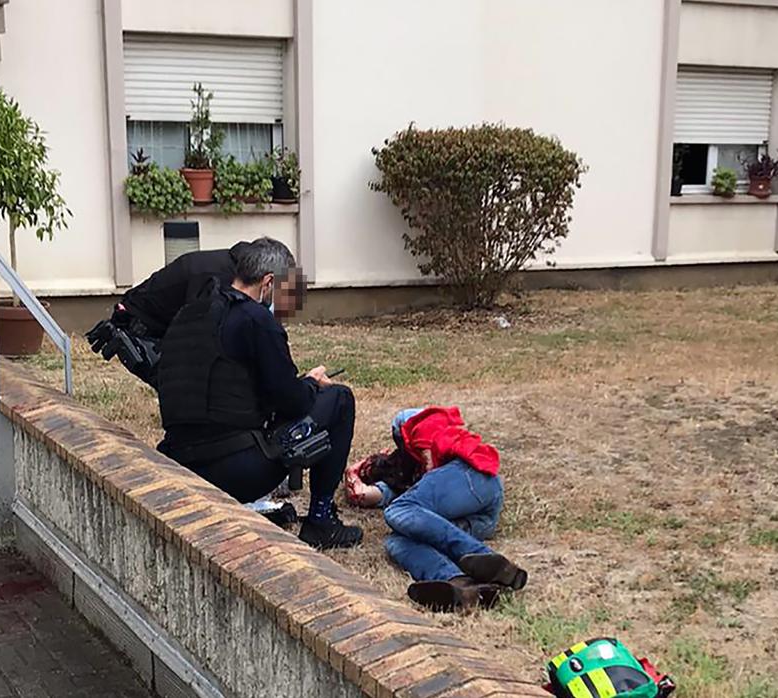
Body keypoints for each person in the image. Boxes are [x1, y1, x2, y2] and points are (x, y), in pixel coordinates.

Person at [155, 238, 362, 550]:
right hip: (234, 470)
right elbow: (292, 401)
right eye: (286, 290)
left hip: (177, 463)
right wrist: (309, 382)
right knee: (339, 399)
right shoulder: (255, 318)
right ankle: (321, 522)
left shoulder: (188, 314)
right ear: (268, 283)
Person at [345, 406, 528, 611]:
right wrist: (353, 476)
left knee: (397, 510)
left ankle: (483, 556)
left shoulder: (418, 426)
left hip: (471, 475)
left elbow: (426, 430)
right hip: (473, 519)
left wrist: (424, 451)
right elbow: (368, 495)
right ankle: (460, 583)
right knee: (396, 541)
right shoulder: (407, 481)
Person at [87, 240, 264, 388]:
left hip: (144, 317)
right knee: (183, 386)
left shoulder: (224, 263)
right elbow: (198, 328)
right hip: (142, 328)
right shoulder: (218, 276)